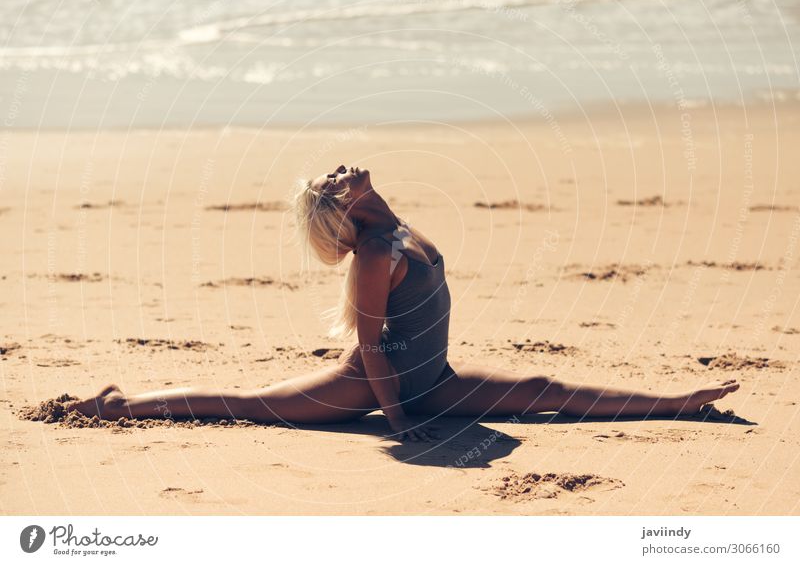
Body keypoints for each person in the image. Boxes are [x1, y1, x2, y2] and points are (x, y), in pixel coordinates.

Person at [68, 165, 739, 441]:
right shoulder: (374, 254)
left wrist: (418, 398)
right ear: (344, 203)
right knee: (250, 405)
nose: (344, 166)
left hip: (434, 379)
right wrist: (398, 418)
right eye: (333, 177)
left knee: (543, 386)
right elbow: (369, 347)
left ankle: (679, 401)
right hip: (371, 385)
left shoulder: (397, 230)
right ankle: (120, 404)